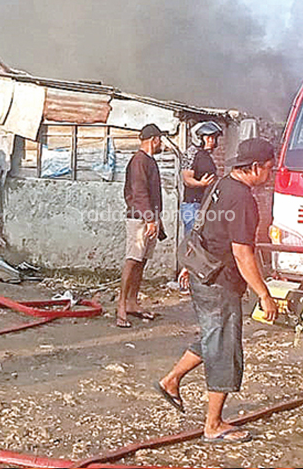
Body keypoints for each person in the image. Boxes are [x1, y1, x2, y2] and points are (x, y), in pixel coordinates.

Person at [155, 138, 278, 443]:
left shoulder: (221, 184)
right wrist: (263, 294)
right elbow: (242, 253)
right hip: (220, 281)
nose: (270, 175)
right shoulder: (243, 200)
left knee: (213, 335)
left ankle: (171, 380)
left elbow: (202, 224)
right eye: (268, 169)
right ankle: (214, 424)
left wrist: (187, 264)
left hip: (201, 272)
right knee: (224, 347)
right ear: (254, 168)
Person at [116, 124, 165, 328]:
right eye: (160, 140)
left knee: (142, 261)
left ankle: (133, 303)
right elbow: (138, 192)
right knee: (133, 260)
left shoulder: (149, 161)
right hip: (139, 218)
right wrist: (149, 218)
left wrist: (156, 218)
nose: (161, 143)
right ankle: (120, 307)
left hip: (149, 217)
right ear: (153, 139)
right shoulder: (139, 161)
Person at [180, 121, 221, 237]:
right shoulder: (191, 153)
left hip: (205, 205)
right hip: (193, 206)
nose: (211, 141)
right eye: (208, 138)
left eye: (213, 138)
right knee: (193, 241)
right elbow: (187, 179)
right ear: (199, 138)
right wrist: (201, 184)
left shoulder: (206, 156)